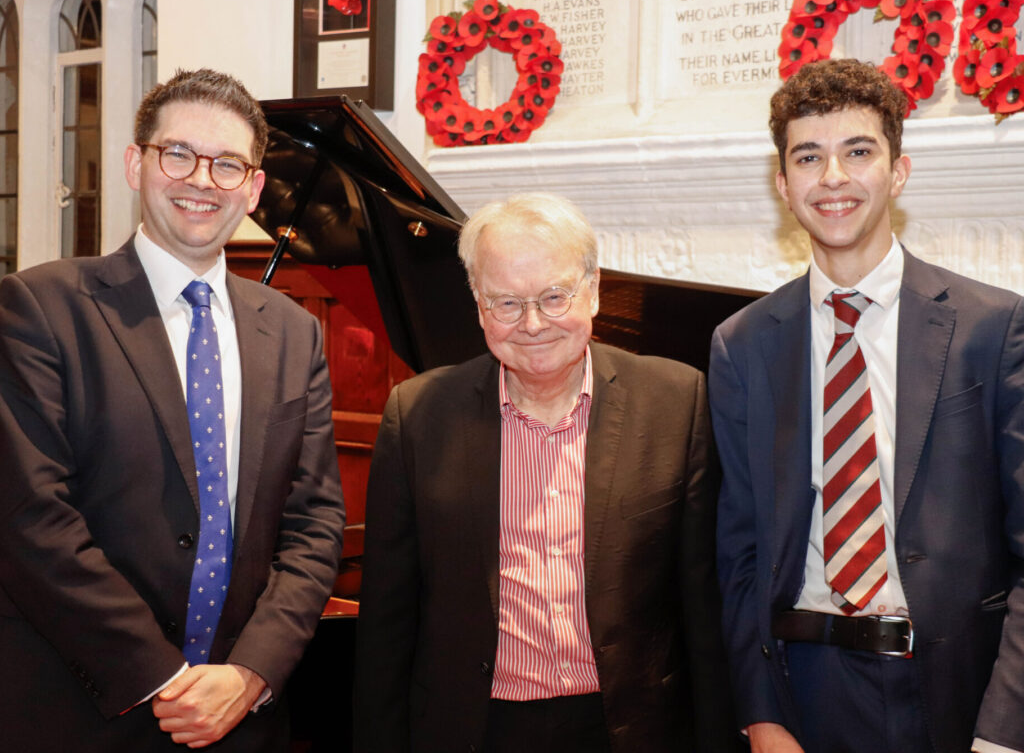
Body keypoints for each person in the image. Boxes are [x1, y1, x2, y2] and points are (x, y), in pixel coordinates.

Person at [0, 68, 345, 752]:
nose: (201, 180)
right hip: (85, 705)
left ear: (252, 188)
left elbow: (315, 523)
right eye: (178, 154)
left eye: (227, 165)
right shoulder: (39, 308)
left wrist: (250, 672)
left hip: (241, 715)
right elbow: (31, 519)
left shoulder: (294, 330)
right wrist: (161, 678)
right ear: (136, 163)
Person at [710, 57, 1024, 753]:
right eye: (808, 157)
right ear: (783, 183)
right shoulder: (742, 345)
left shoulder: (992, 327)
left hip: (959, 689)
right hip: (805, 685)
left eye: (858, 152)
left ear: (899, 171)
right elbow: (738, 551)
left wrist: (1004, 730)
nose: (833, 178)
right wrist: (762, 714)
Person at [354, 192, 739, 752]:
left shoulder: (677, 401)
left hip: (633, 726)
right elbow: (386, 622)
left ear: (595, 290)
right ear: (478, 305)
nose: (532, 324)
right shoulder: (417, 415)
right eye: (506, 303)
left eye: (554, 297)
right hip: (475, 728)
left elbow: (704, 603)